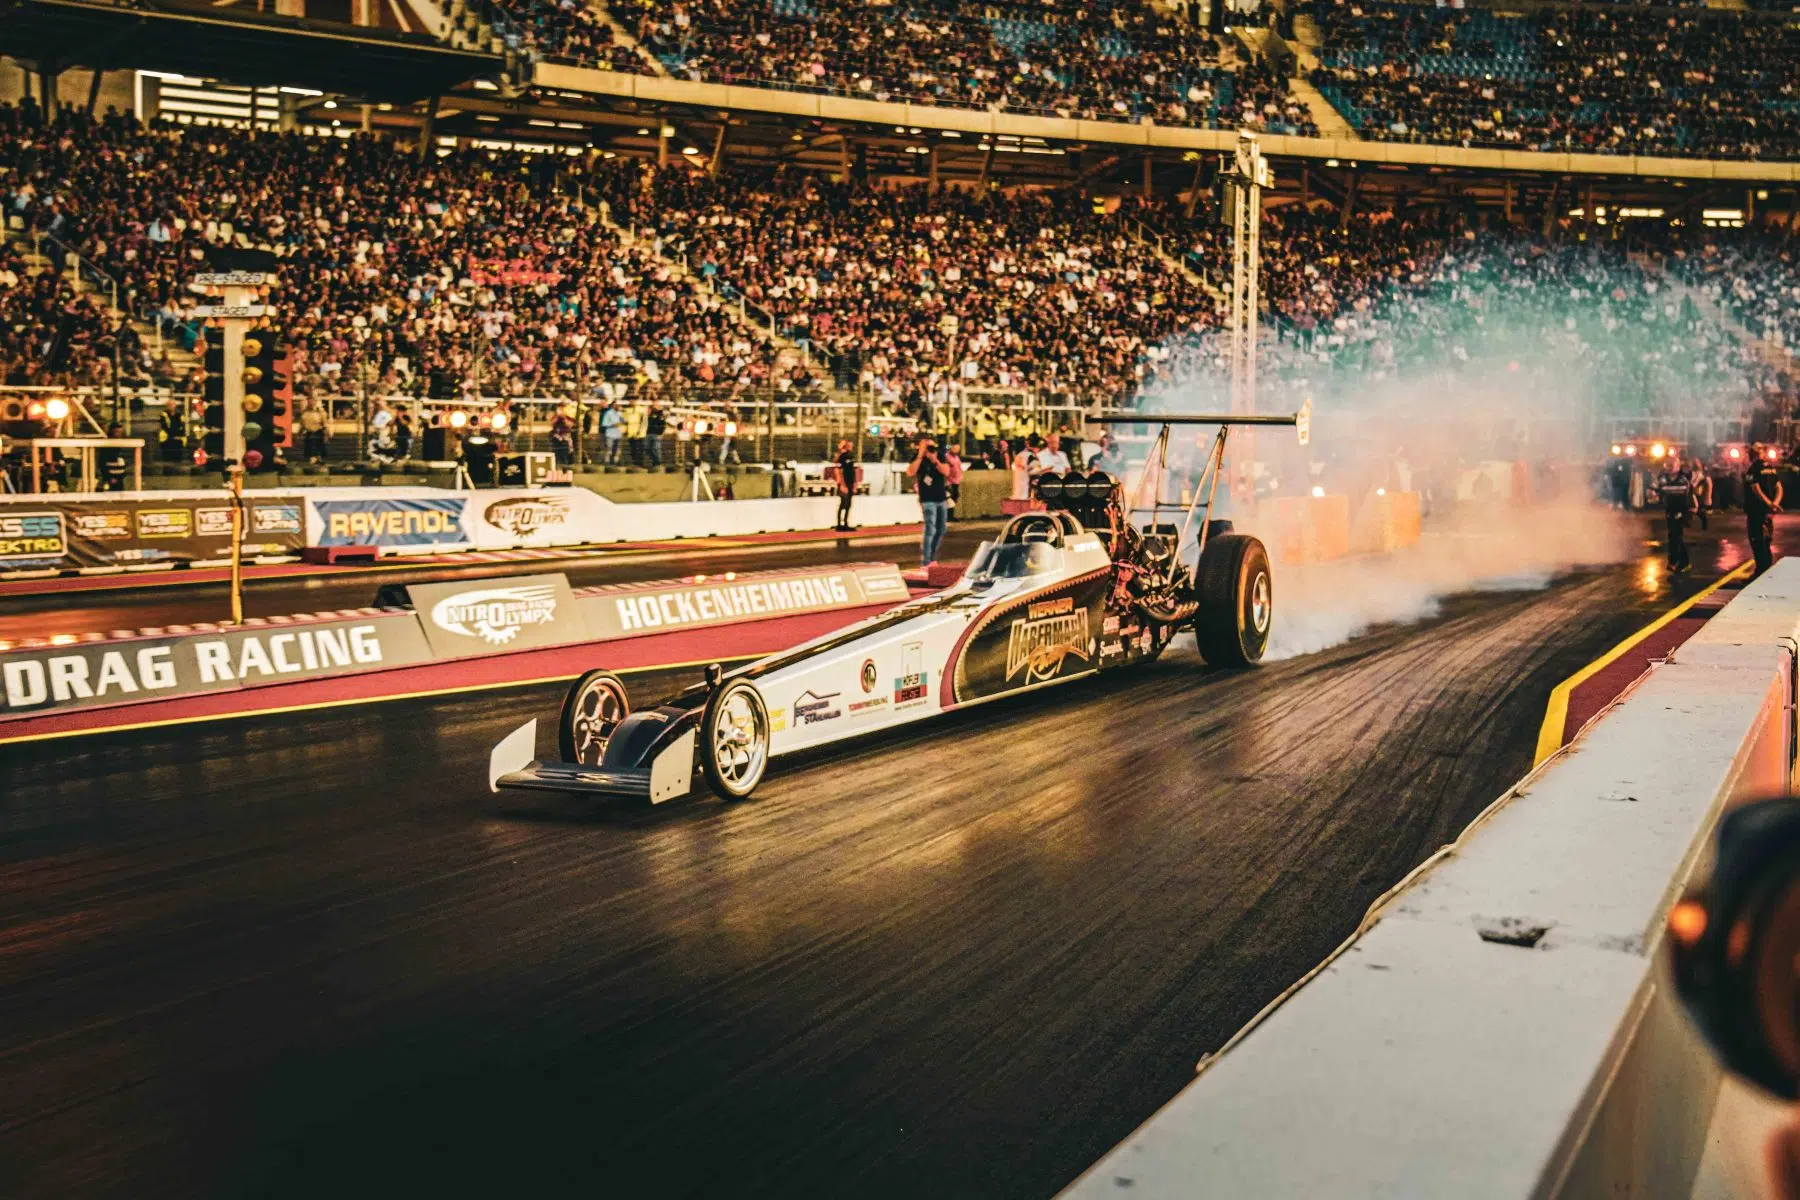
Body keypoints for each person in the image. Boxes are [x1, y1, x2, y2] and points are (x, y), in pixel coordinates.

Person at [907, 434, 949, 567]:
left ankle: (932, 557)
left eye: (931, 446)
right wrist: (920, 455)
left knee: (941, 529)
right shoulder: (918, 458)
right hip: (927, 499)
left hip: (941, 497)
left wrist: (935, 460)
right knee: (930, 529)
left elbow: (946, 472)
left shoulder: (939, 456)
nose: (929, 449)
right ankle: (926, 562)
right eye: (926, 446)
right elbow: (910, 472)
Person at [1746, 445, 1783, 577]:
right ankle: (1767, 568)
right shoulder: (1771, 468)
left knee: (1756, 539)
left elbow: (1755, 489)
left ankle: (1761, 571)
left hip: (1756, 509)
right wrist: (1775, 503)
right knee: (1766, 539)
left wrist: (1768, 503)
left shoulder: (1753, 468)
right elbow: (1779, 487)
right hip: (1769, 511)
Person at [1658, 456, 1696, 573]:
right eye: (1667, 465)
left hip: (1683, 511)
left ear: (1678, 466)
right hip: (1670, 511)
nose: (1669, 467)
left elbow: (1690, 495)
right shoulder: (1663, 479)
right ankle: (1685, 562)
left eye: (1671, 465)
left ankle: (1673, 561)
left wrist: (1691, 508)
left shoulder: (1684, 479)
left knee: (1675, 535)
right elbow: (1658, 491)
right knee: (1674, 536)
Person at [834, 438, 857, 532]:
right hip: (845, 483)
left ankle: (846, 522)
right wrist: (842, 484)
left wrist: (855, 483)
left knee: (849, 504)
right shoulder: (842, 456)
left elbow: (853, 471)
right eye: (849, 446)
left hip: (850, 482)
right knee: (843, 503)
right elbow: (839, 471)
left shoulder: (852, 456)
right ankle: (839, 524)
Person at [942, 442, 964, 519]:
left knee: (955, 497)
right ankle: (948, 516)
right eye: (955, 448)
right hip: (949, 481)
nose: (956, 450)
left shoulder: (957, 457)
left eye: (958, 449)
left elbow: (958, 467)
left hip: (956, 481)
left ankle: (951, 516)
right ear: (951, 448)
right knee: (949, 498)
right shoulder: (946, 457)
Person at [1690, 457, 1712, 531]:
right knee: (1691, 509)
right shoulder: (1694, 473)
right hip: (1695, 493)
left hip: (1698, 493)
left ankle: (1704, 525)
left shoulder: (1699, 474)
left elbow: (1695, 484)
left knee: (1698, 510)